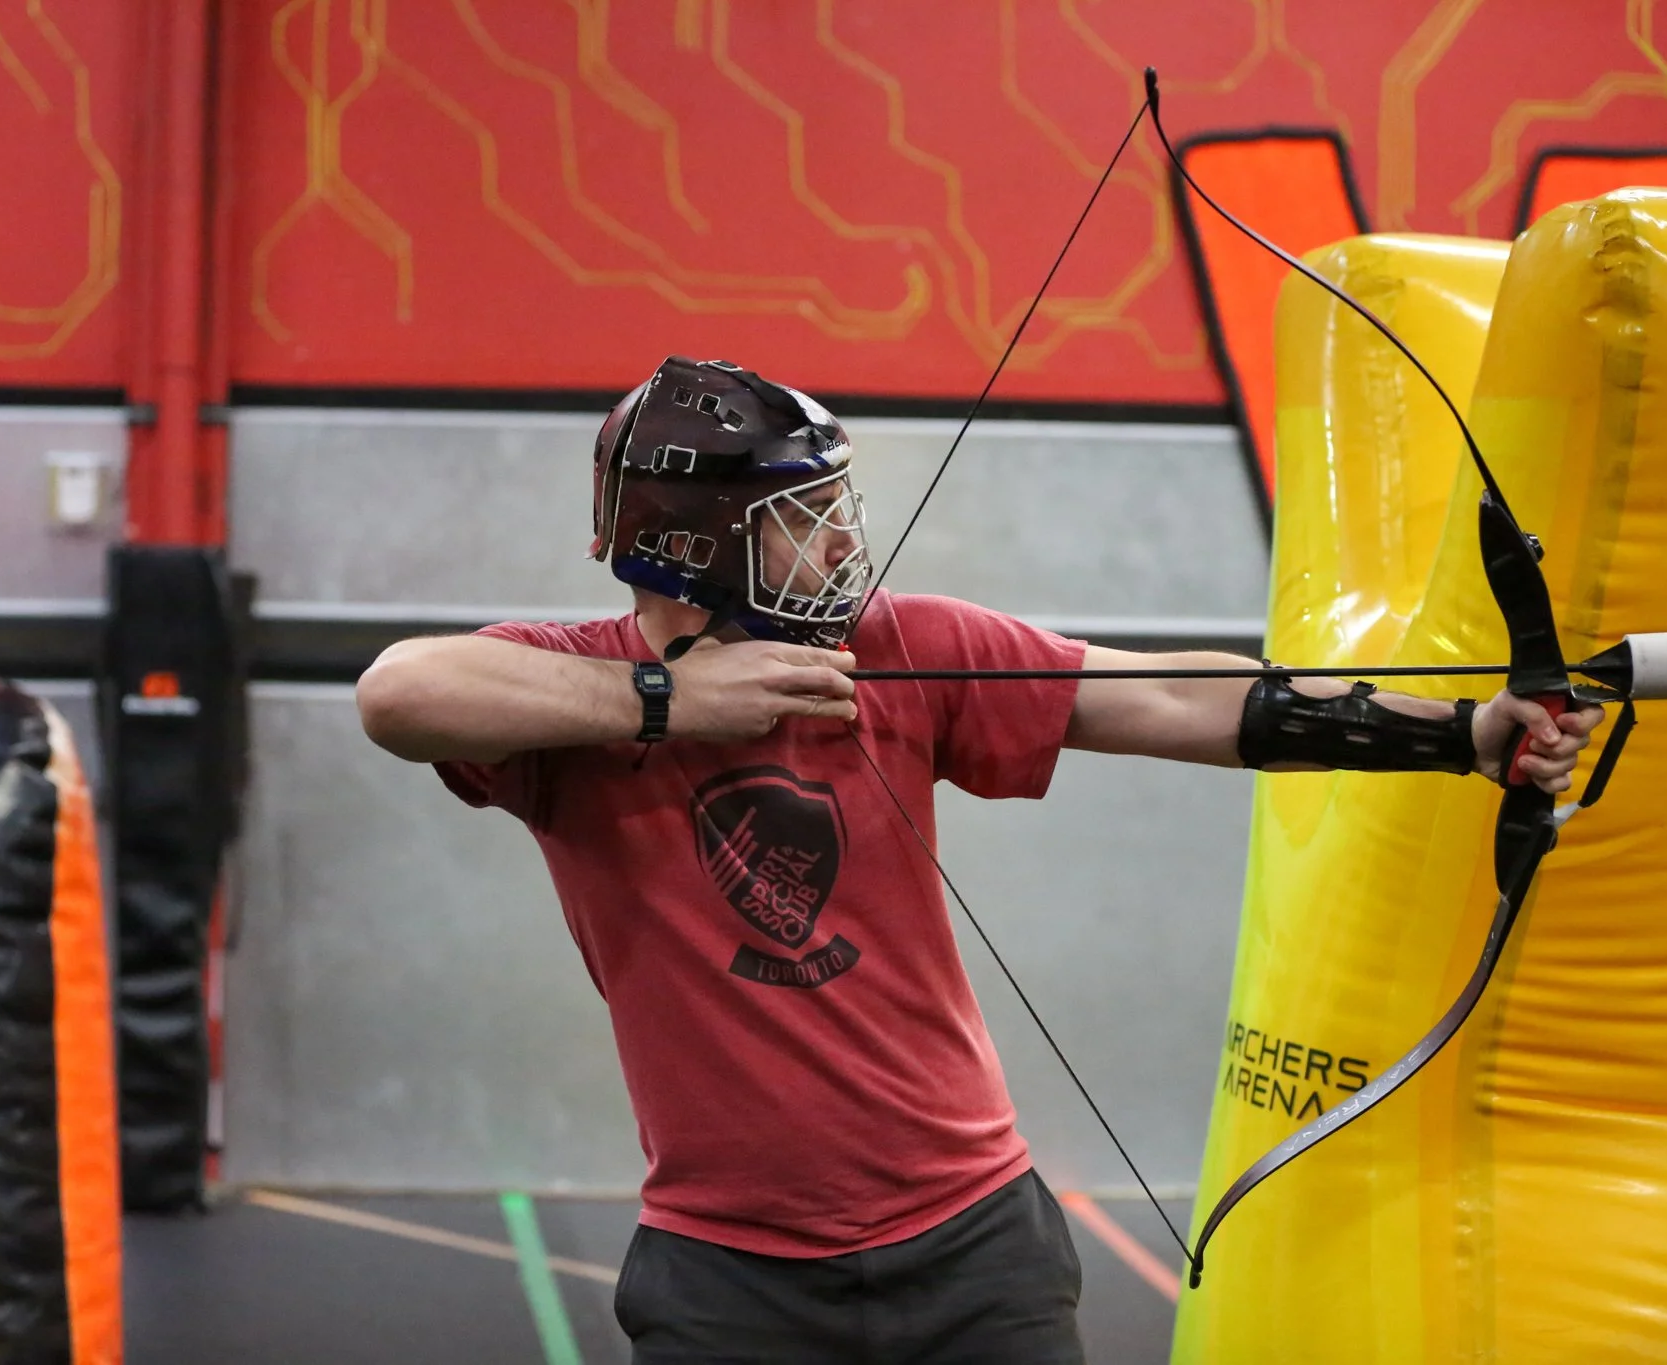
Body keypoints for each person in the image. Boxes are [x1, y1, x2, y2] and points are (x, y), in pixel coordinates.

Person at [356, 356, 1597, 1363]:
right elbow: (397, 693)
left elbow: (1167, 701)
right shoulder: (564, 693)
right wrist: (665, 701)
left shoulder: (896, 646)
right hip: (724, 1274)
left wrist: (1458, 735)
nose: (841, 543)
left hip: (973, 1247)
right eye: (802, 519)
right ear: (689, 543)